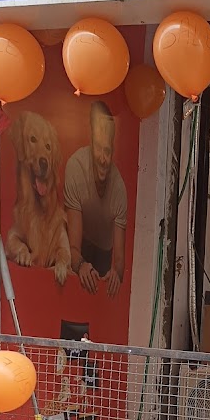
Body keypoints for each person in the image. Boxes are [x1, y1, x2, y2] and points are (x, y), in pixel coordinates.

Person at [65, 101, 127, 298]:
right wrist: (81, 265)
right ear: (91, 143)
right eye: (98, 148)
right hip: (78, 241)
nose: (102, 158)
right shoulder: (76, 167)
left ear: (113, 151)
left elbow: (119, 261)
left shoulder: (119, 188)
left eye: (107, 151)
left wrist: (116, 274)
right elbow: (72, 247)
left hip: (103, 251)